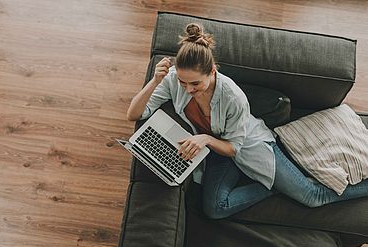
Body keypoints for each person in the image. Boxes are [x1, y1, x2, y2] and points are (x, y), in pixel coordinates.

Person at [127, 23, 368, 219]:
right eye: (182, 83)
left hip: (248, 148)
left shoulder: (233, 97)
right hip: (217, 152)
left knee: (312, 196)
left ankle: (282, 185)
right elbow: (134, 114)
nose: (188, 90)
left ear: (212, 72)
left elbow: (234, 148)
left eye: (195, 84)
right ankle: (275, 188)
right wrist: (154, 82)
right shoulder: (173, 79)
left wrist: (205, 138)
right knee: (215, 208)